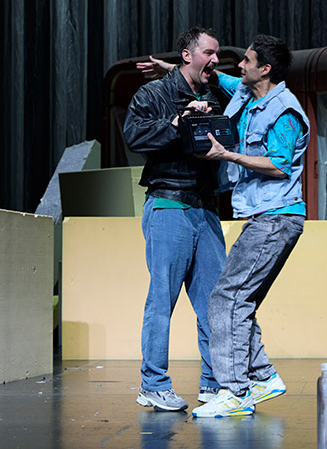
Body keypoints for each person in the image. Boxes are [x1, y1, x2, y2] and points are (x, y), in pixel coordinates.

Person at [191, 35, 310, 418]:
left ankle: (234, 391)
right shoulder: (248, 92)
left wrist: (228, 155)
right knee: (240, 301)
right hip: (263, 217)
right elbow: (223, 80)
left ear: (265, 69)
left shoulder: (284, 110)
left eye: (246, 60)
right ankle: (262, 378)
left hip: (277, 218)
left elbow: (279, 166)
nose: (239, 65)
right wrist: (174, 68)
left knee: (225, 299)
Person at [123, 26, 225, 411]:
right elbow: (134, 136)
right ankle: (153, 384)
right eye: (209, 53)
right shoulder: (154, 94)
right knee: (161, 300)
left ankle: (214, 385)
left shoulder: (212, 96)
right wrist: (178, 122)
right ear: (187, 54)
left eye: (217, 54)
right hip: (169, 204)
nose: (215, 60)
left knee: (215, 304)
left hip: (206, 206)